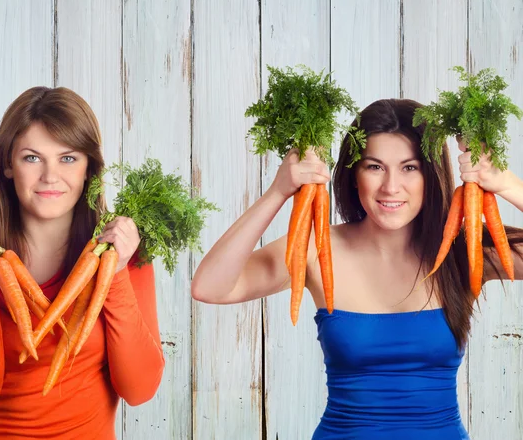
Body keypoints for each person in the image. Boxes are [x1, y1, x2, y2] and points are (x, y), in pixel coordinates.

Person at [191, 98, 523, 439]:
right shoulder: (316, 250)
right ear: (353, 176)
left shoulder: (462, 251)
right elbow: (210, 287)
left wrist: (508, 185)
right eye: (374, 167)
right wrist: (278, 192)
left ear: (430, 174)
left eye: (409, 167)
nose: (391, 187)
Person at [0, 87, 165, 439]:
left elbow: (140, 390)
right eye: (32, 158)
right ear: (7, 165)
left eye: (68, 158)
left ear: (89, 168)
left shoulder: (123, 252)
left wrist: (116, 273)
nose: (50, 176)